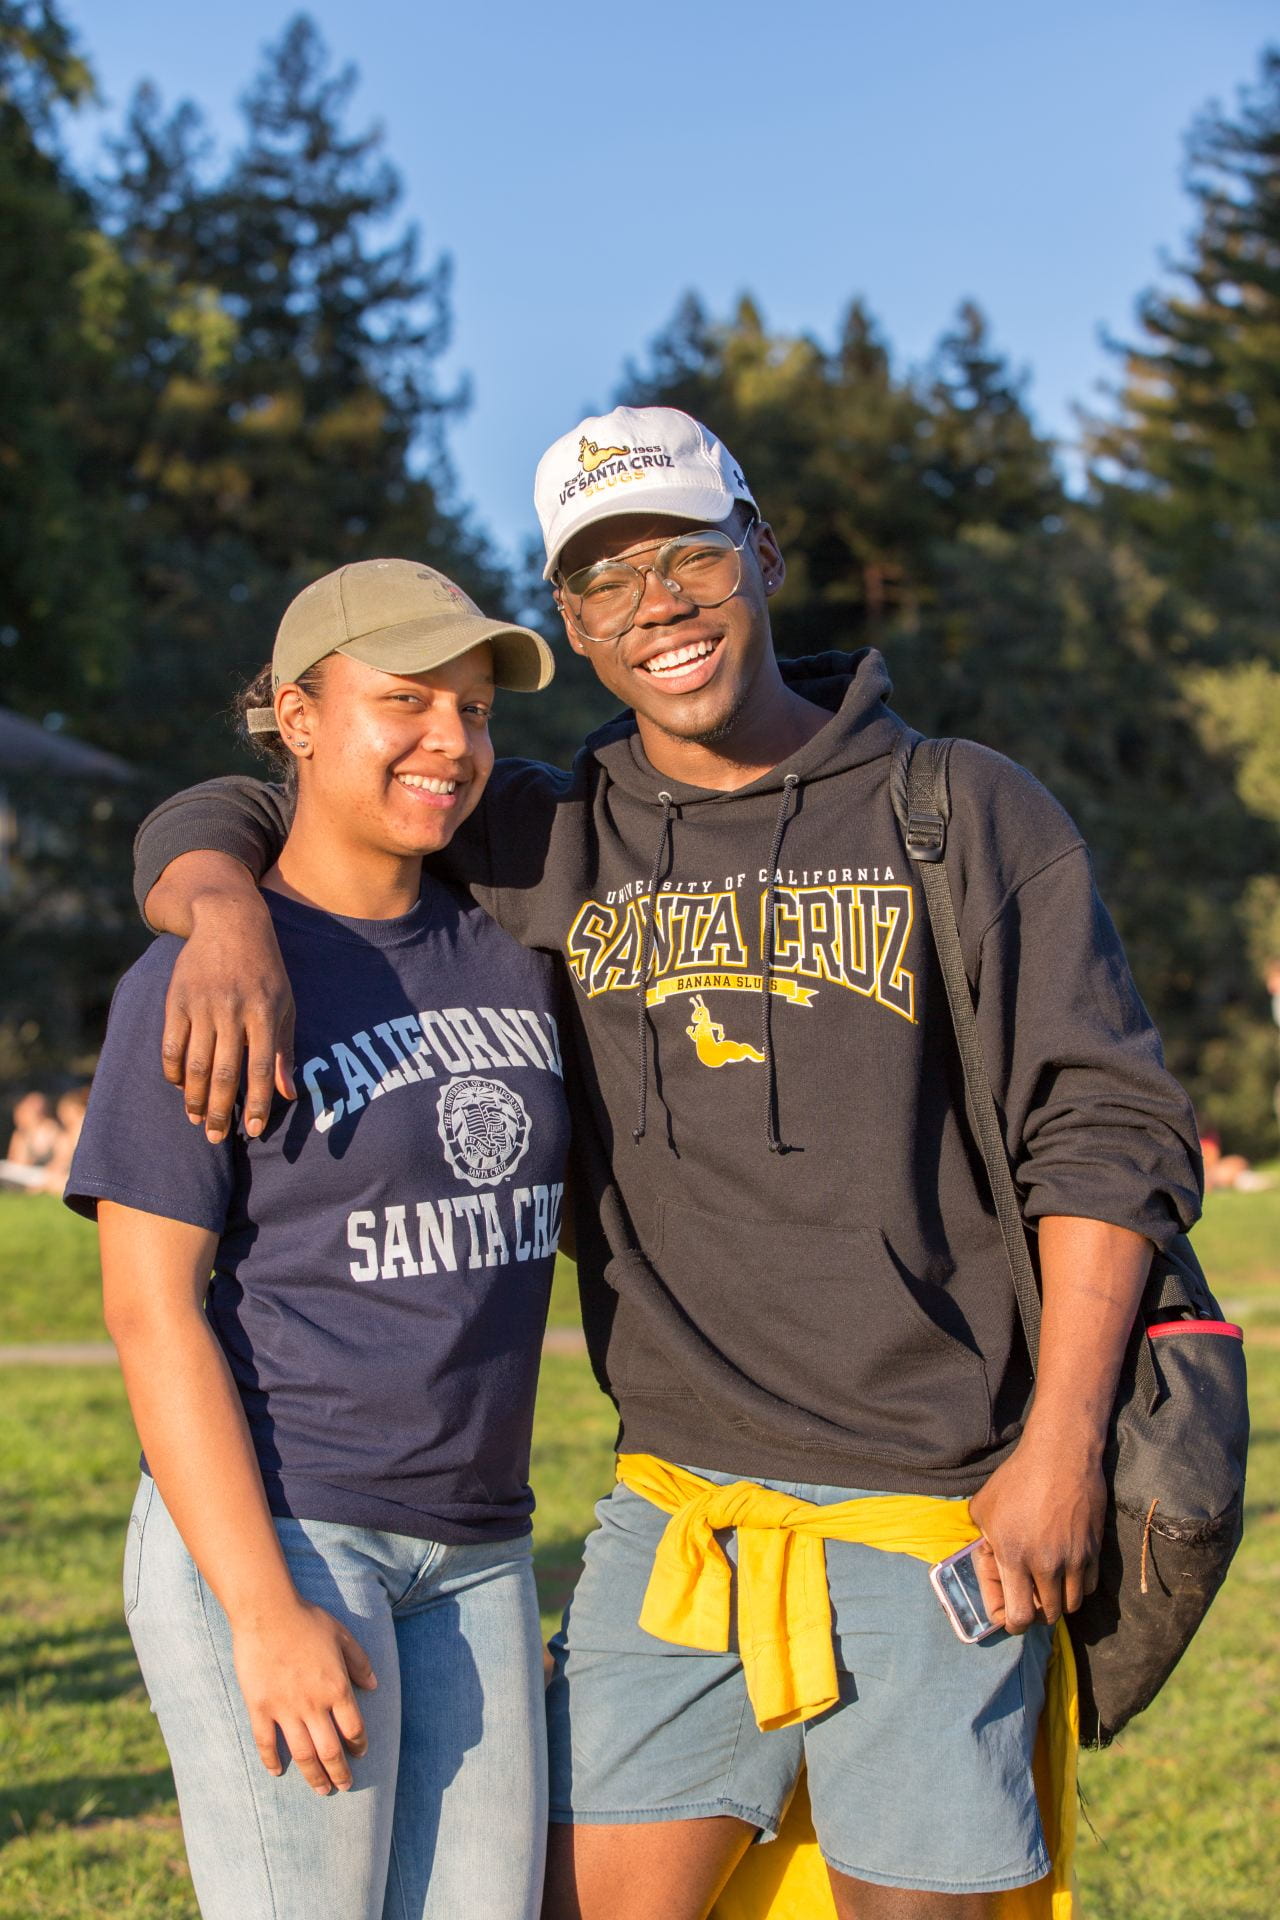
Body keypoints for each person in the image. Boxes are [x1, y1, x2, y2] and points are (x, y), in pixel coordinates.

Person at [131, 410, 1202, 1920]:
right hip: (674, 1505)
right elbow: (296, 796)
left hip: (936, 1510)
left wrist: (1061, 1448)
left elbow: (1105, 1137)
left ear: (761, 552)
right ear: (570, 624)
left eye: (688, 556)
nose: (657, 607)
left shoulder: (961, 810)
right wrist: (216, 905)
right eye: (604, 583)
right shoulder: (552, 830)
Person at [66, 559, 570, 1920]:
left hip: (478, 1545)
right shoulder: (203, 974)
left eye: (472, 710)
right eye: (404, 702)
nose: (451, 744)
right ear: (296, 716)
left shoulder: (507, 942)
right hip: (290, 1531)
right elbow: (148, 1309)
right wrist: (259, 1609)